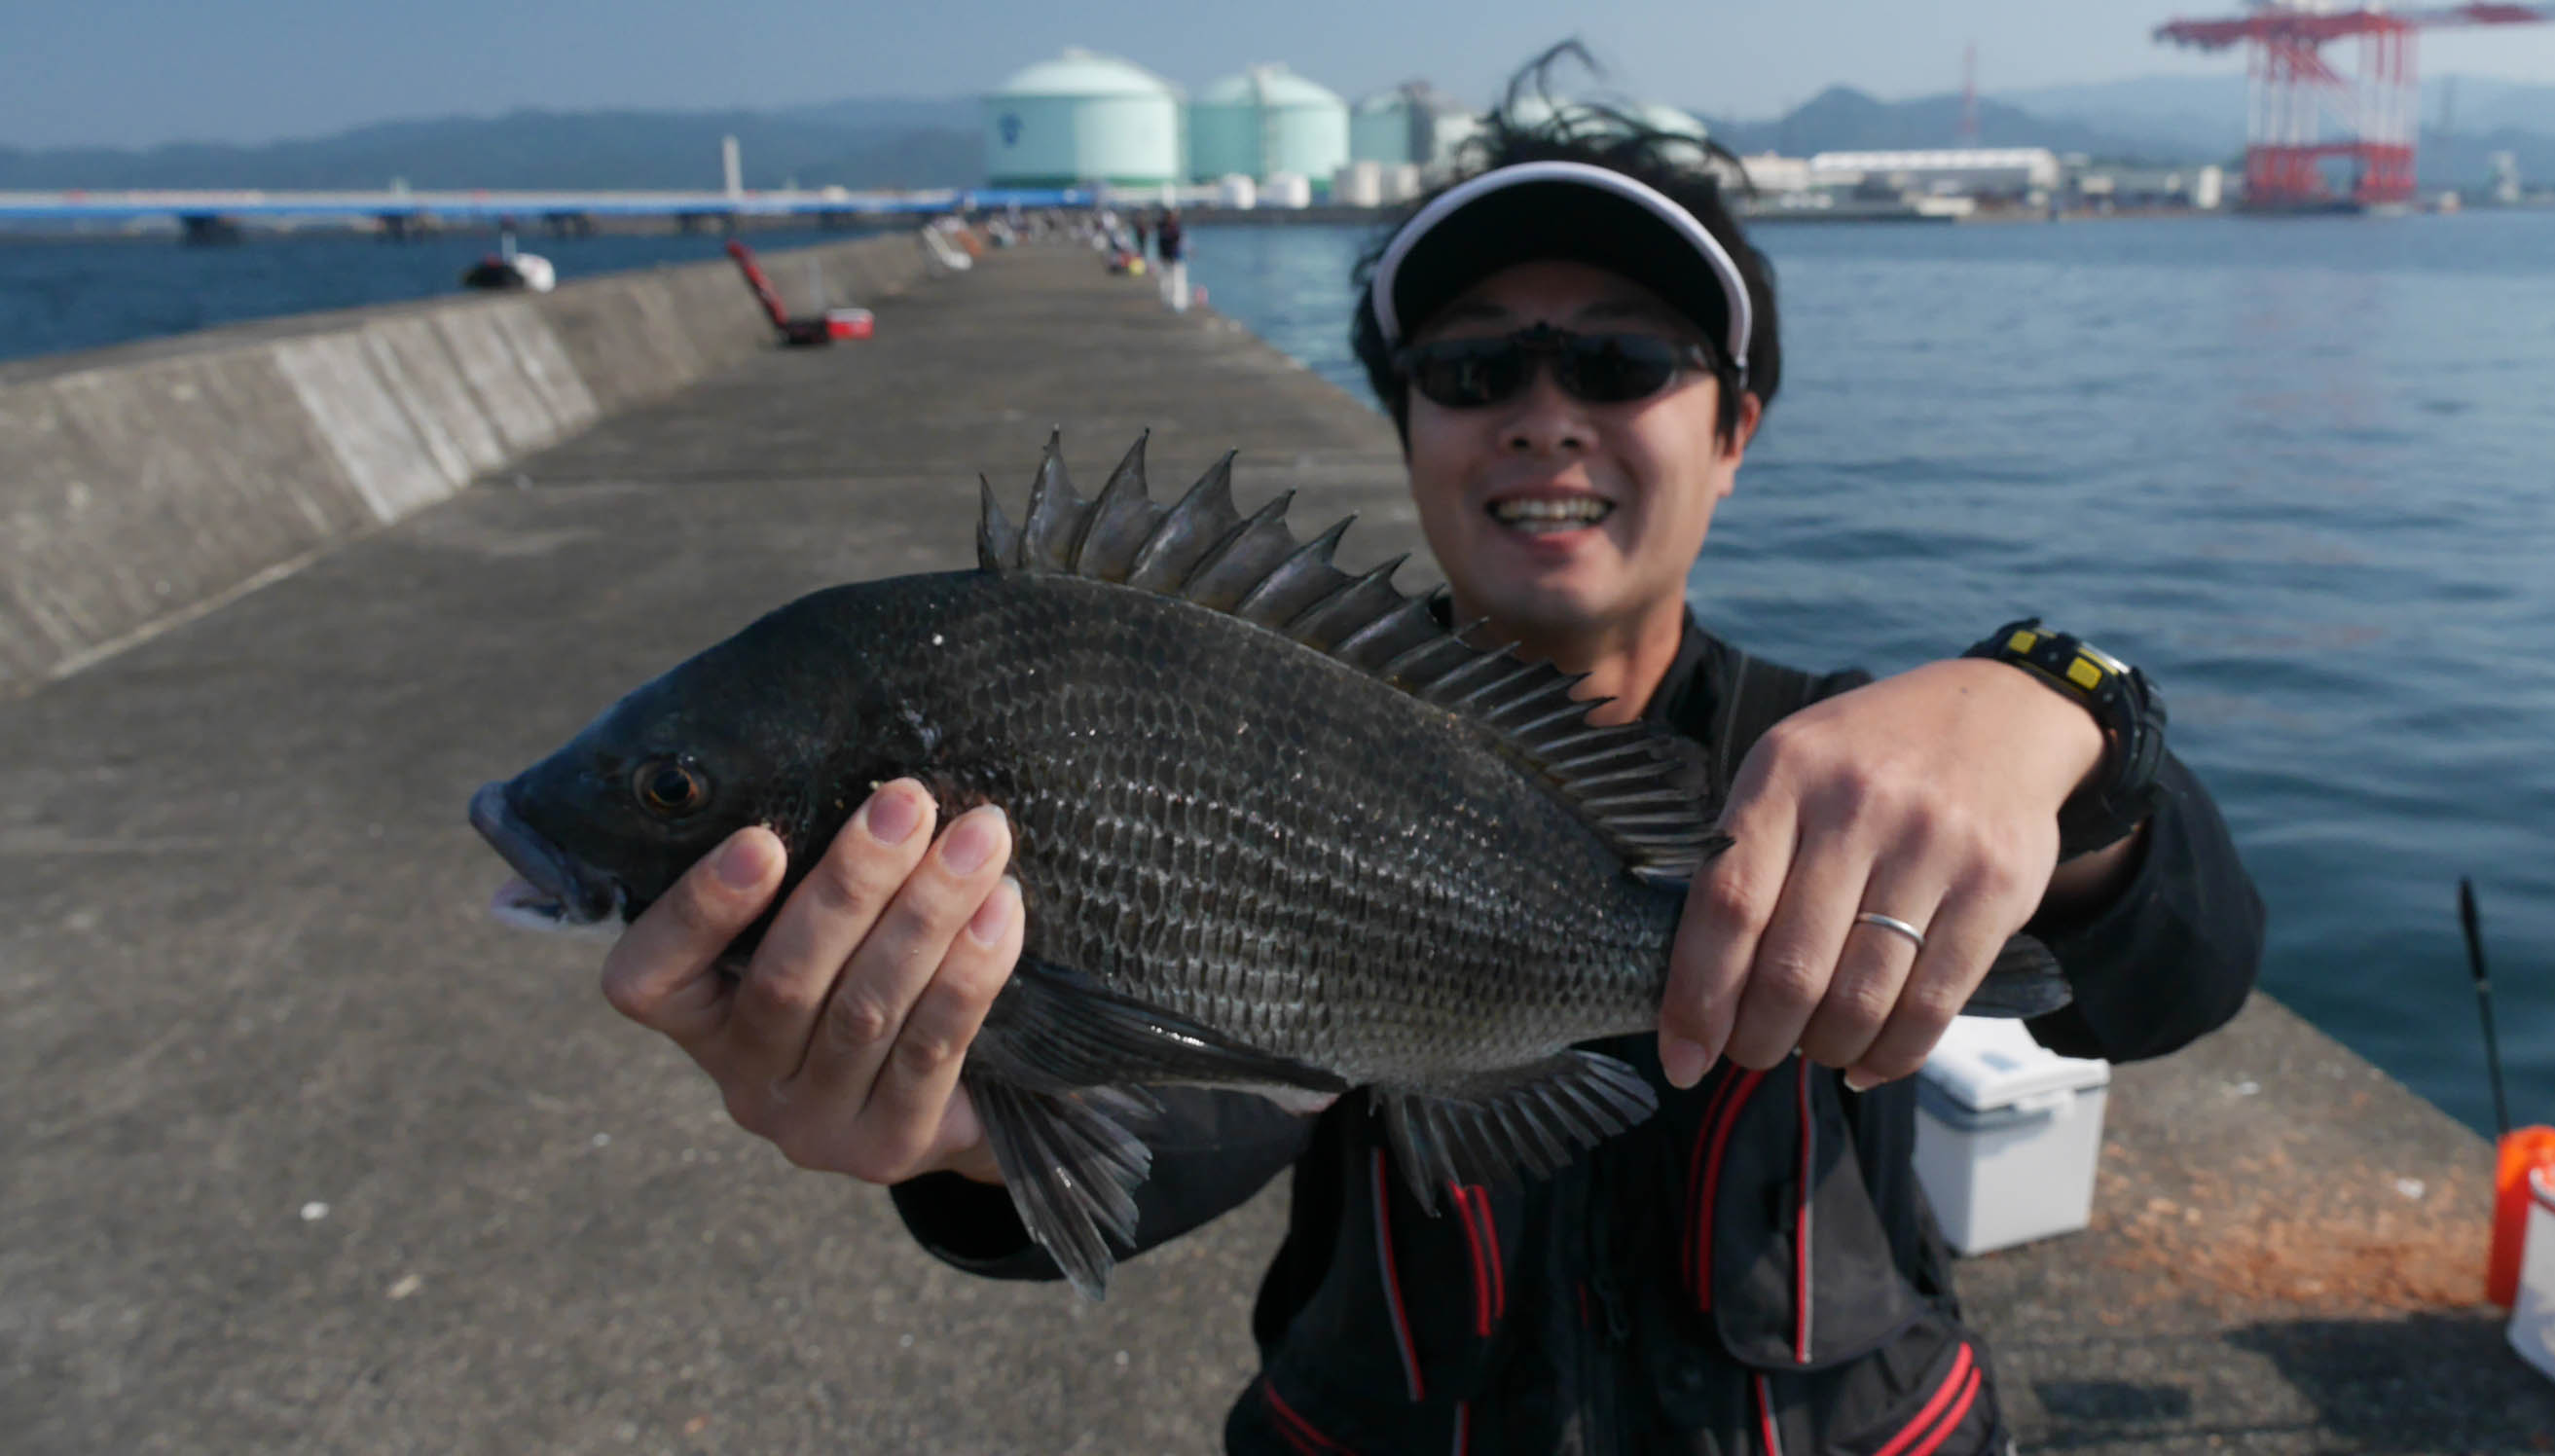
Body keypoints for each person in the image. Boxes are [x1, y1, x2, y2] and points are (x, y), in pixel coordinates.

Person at [596, 60, 2263, 1455]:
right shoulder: (1265, 732)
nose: (1543, 411)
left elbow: (2173, 979)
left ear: (1733, 431)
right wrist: (982, 1127)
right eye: (1472, 368)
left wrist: (2063, 725)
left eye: (1620, 361)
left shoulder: (1828, 766)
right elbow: (1232, 1100)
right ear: (1404, 424)